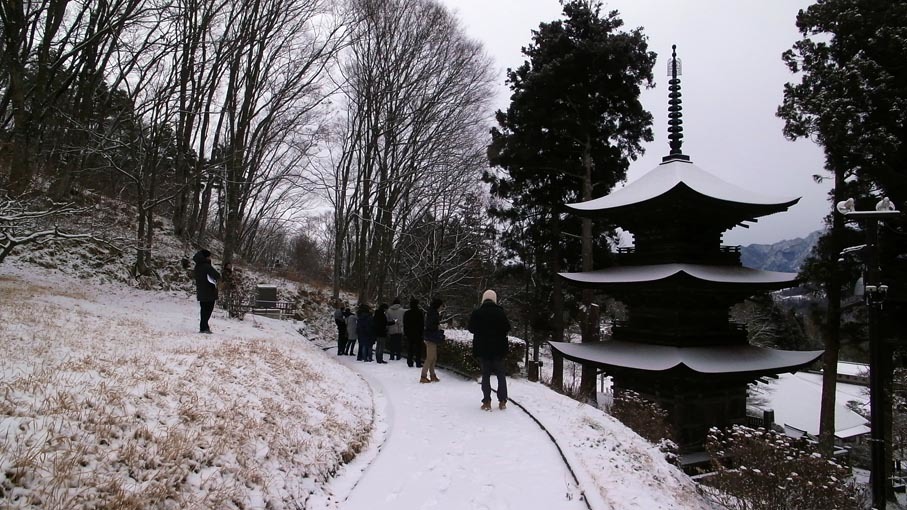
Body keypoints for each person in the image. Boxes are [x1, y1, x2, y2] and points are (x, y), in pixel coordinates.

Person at [468, 290, 511, 410]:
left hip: (483, 349)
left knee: (485, 375)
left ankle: (486, 401)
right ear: (494, 299)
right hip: (498, 349)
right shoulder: (500, 312)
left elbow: (471, 328)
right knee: (500, 375)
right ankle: (502, 401)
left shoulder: (477, 313)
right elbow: (507, 328)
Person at [192, 249, 220, 334]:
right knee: (208, 310)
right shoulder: (206, 266)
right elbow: (216, 275)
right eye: (209, 256)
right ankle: (204, 327)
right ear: (206, 257)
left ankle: (203, 327)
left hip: (201, 290)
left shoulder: (197, 266)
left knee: (203, 309)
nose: (210, 258)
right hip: (209, 291)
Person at [421, 297, 444, 383]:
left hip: (430, 337)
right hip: (431, 337)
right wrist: (437, 327)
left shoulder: (432, 312)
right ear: (438, 305)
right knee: (430, 357)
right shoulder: (433, 314)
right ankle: (423, 376)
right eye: (441, 306)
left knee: (433, 357)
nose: (442, 307)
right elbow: (430, 326)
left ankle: (432, 374)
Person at [403, 298, 424, 368]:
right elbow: (422, 324)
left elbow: (405, 324)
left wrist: (406, 332)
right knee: (418, 349)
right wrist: (421, 333)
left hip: (409, 333)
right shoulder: (420, 313)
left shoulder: (407, 313)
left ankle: (409, 362)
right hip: (418, 333)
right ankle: (418, 362)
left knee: (410, 348)